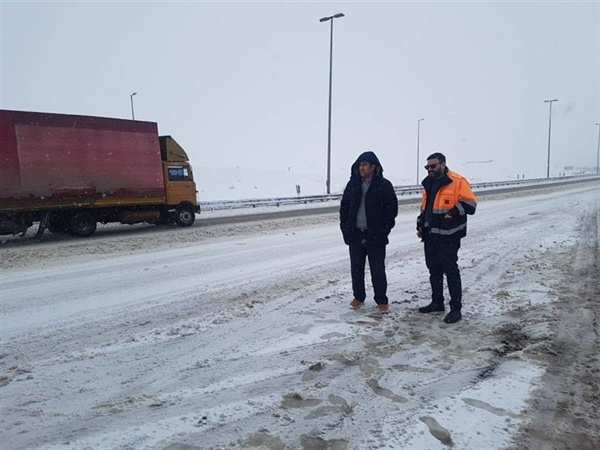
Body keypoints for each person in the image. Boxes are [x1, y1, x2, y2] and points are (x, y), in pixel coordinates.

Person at [416, 152, 477, 324]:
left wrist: (453, 212)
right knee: (433, 271)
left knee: (450, 272)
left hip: (449, 237)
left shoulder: (458, 181)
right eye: (427, 167)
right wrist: (420, 225)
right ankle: (437, 302)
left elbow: (471, 204)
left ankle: (455, 309)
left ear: (443, 164)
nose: (430, 169)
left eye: (433, 166)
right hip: (430, 236)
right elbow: (425, 209)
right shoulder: (428, 183)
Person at [340, 151, 398, 314]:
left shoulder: (384, 185)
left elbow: (391, 210)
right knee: (356, 268)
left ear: (373, 167)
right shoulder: (352, 185)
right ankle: (358, 296)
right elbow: (344, 208)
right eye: (359, 164)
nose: (361, 168)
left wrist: (384, 230)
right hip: (356, 235)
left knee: (377, 269)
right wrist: (345, 228)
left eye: (364, 164)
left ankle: (381, 300)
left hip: (375, 235)